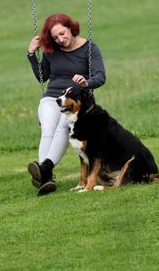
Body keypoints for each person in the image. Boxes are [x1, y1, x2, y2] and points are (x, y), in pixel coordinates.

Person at [26, 13, 106, 194]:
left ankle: (43, 170)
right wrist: (31, 54)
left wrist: (86, 82)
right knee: (48, 129)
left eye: (62, 33)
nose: (60, 39)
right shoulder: (51, 51)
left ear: (71, 27)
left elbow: (101, 77)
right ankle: (45, 176)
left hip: (75, 102)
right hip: (52, 98)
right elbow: (42, 77)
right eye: (55, 37)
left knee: (63, 126)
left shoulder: (90, 48)